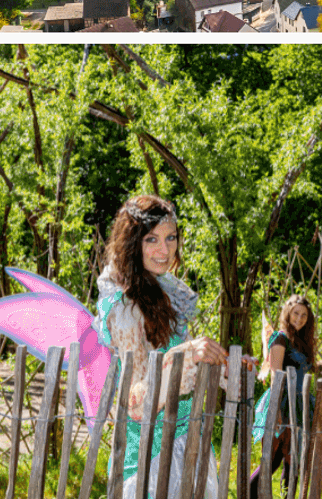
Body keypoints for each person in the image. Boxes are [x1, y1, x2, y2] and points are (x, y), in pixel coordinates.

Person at [94, 194, 227, 499]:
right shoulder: (123, 308)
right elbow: (137, 404)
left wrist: (223, 365)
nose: (164, 250)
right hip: (149, 459)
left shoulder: (165, 294)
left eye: (171, 238)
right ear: (132, 243)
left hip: (184, 443)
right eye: (152, 239)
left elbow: (183, 365)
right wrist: (182, 355)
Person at [251, 294, 316, 497]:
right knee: (271, 461)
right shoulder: (280, 338)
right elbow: (275, 373)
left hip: (300, 403)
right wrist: (276, 409)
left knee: (293, 460)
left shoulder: (303, 341)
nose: (299, 318)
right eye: (296, 313)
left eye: (304, 315)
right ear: (287, 312)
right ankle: (249, 493)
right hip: (282, 401)